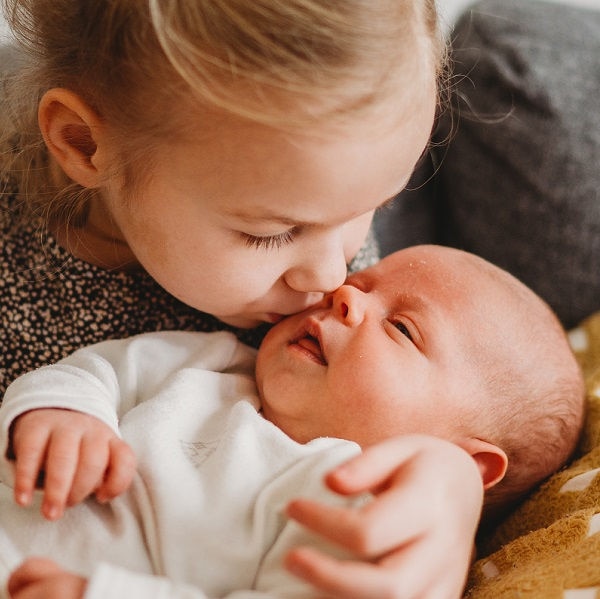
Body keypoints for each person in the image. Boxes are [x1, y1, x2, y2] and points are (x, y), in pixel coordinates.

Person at [0, 1, 465, 595]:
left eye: (372, 207)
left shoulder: (326, 260)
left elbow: (416, 401)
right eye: (271, 233)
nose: (332, 275)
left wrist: (452, 473)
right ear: (85, 143)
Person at [0, 245, 585, 599]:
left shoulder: (350, 508)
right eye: (360, 282)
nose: (343, 298)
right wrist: (64, 411)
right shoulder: (217, 359)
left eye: (402, 329)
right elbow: (95, 369)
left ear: (463, 457)